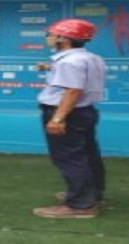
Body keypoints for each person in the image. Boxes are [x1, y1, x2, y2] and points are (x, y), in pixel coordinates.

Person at [33, 18, 107, 219]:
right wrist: (50, 68)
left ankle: (80, 205)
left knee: (70, 158)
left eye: (51, 34)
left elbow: (73, 90)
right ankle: (93, 195)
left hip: (67, 113)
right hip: (84, 112)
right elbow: (79, 77)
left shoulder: (68, 62)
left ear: (64, 39)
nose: (48, 38)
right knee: (88, 154)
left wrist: (58, 119)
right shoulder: (91, 58)